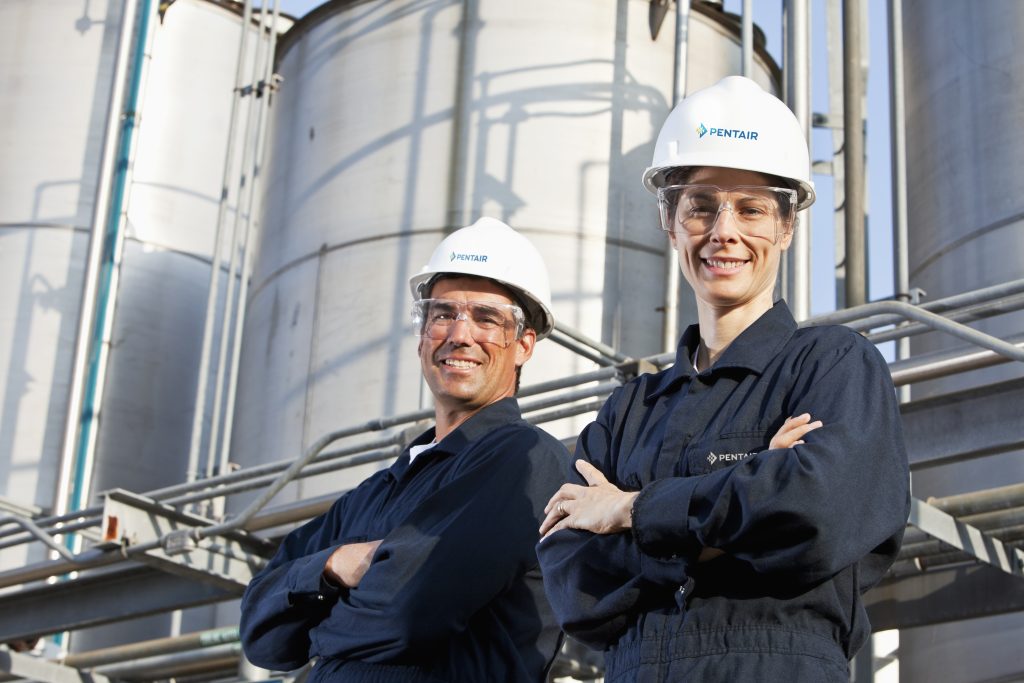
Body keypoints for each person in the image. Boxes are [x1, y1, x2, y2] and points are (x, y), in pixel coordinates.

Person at [537, 75, 911, 682]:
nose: (724, 231)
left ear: (787, 227)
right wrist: (753, 489)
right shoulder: (628, 411)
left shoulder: (832, 366)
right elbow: (573, 582)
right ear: (669, 219)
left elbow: (816, 515)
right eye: (701, 206)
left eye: (752, 208)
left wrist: (632, 509)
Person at [240, 217, 571, 682]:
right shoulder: (376, 491)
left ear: (523, 346)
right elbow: (261, 631)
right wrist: (334, 565)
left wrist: (314, 636)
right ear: (421, 336)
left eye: (486, 318)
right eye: (442, 314)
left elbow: (408, 612)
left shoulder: (525, 460)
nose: (459, 334)